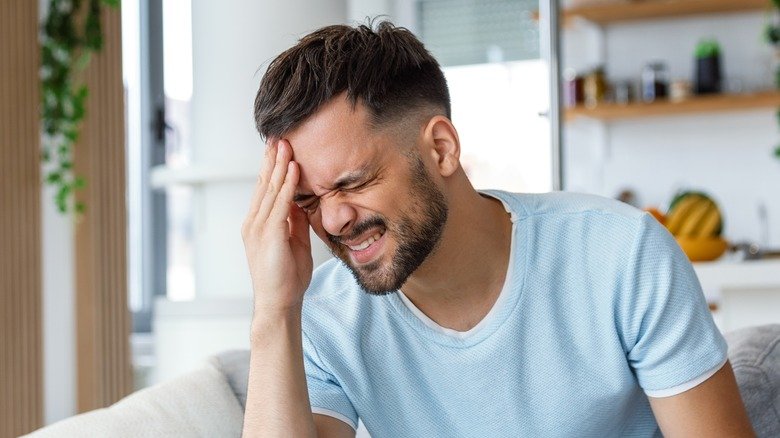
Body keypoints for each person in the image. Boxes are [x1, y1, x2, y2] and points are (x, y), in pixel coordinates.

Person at [240, 21, 754, 437]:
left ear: (441, 148)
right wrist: (273, 310)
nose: (332, 221)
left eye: (353, 182)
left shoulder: (622, 255)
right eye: (307, 200)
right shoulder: (323, 318)